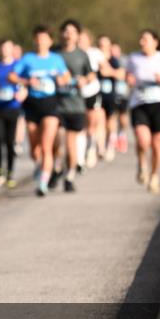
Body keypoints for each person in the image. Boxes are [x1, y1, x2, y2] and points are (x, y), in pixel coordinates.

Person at [10, 25, 70, 197]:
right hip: (31, 105)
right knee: (34, 148)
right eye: (37, 39)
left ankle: (43, 182)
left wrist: (61, 79)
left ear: (50, 41)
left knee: (46, 145)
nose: (40, 42)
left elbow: (66, 76)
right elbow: (12, 76)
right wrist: (27, 81)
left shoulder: (56, 59)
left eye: (44, 39)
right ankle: (40, 165)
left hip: (50, 105)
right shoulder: (28, 59)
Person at [125, 29, 160, 193]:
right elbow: (128, 76)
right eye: (141, 38)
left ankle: (154, 176)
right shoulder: (133, 58)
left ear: (155, 42)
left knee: (156, 143)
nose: (142, 42)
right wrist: (129, 79)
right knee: (143, 141)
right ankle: (142, 163)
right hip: (139, 103)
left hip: (158, 103)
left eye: (145, 39)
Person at [53, 19, 94, 192]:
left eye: (72, 31)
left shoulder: (81, 55)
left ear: (77, 35)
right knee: (56, 142)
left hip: (76, 105)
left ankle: (69, 176)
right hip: (56, 104)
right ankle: (56, 168)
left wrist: (84, 80)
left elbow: (91, 74)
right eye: (65, 31)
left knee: (70, 144)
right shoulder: (54, 53)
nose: (68, 34)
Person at [0, 39, 23, 188]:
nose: (4, 51)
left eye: (7, 48)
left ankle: (10, 173)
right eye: (2, 48)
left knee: (10, 142)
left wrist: (21, 93)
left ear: (12, 49)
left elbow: (24, 84)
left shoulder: (17, 66)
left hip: (12, 107)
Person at [79, 29, 106, 169]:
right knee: (80, 125)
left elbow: (106, 68)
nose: (81, 41)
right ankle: (81, 155)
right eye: (79, 38)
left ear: (89, 40)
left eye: (84, 39)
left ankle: (91, 147)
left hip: (93, 92)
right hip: (77, 93)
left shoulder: (95, 53)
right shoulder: (75, 54)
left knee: (91, 124)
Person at [97, 35, 126, 162]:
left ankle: (111, 144)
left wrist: (108, 72)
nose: (103, 48)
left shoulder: (114, 60)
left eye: (105, 45)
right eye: (100, 45)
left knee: (110, 121)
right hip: (97, 95)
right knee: (100, 120)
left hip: (111, 96)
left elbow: (120, 74)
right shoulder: (94, 58)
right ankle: (100, 148)